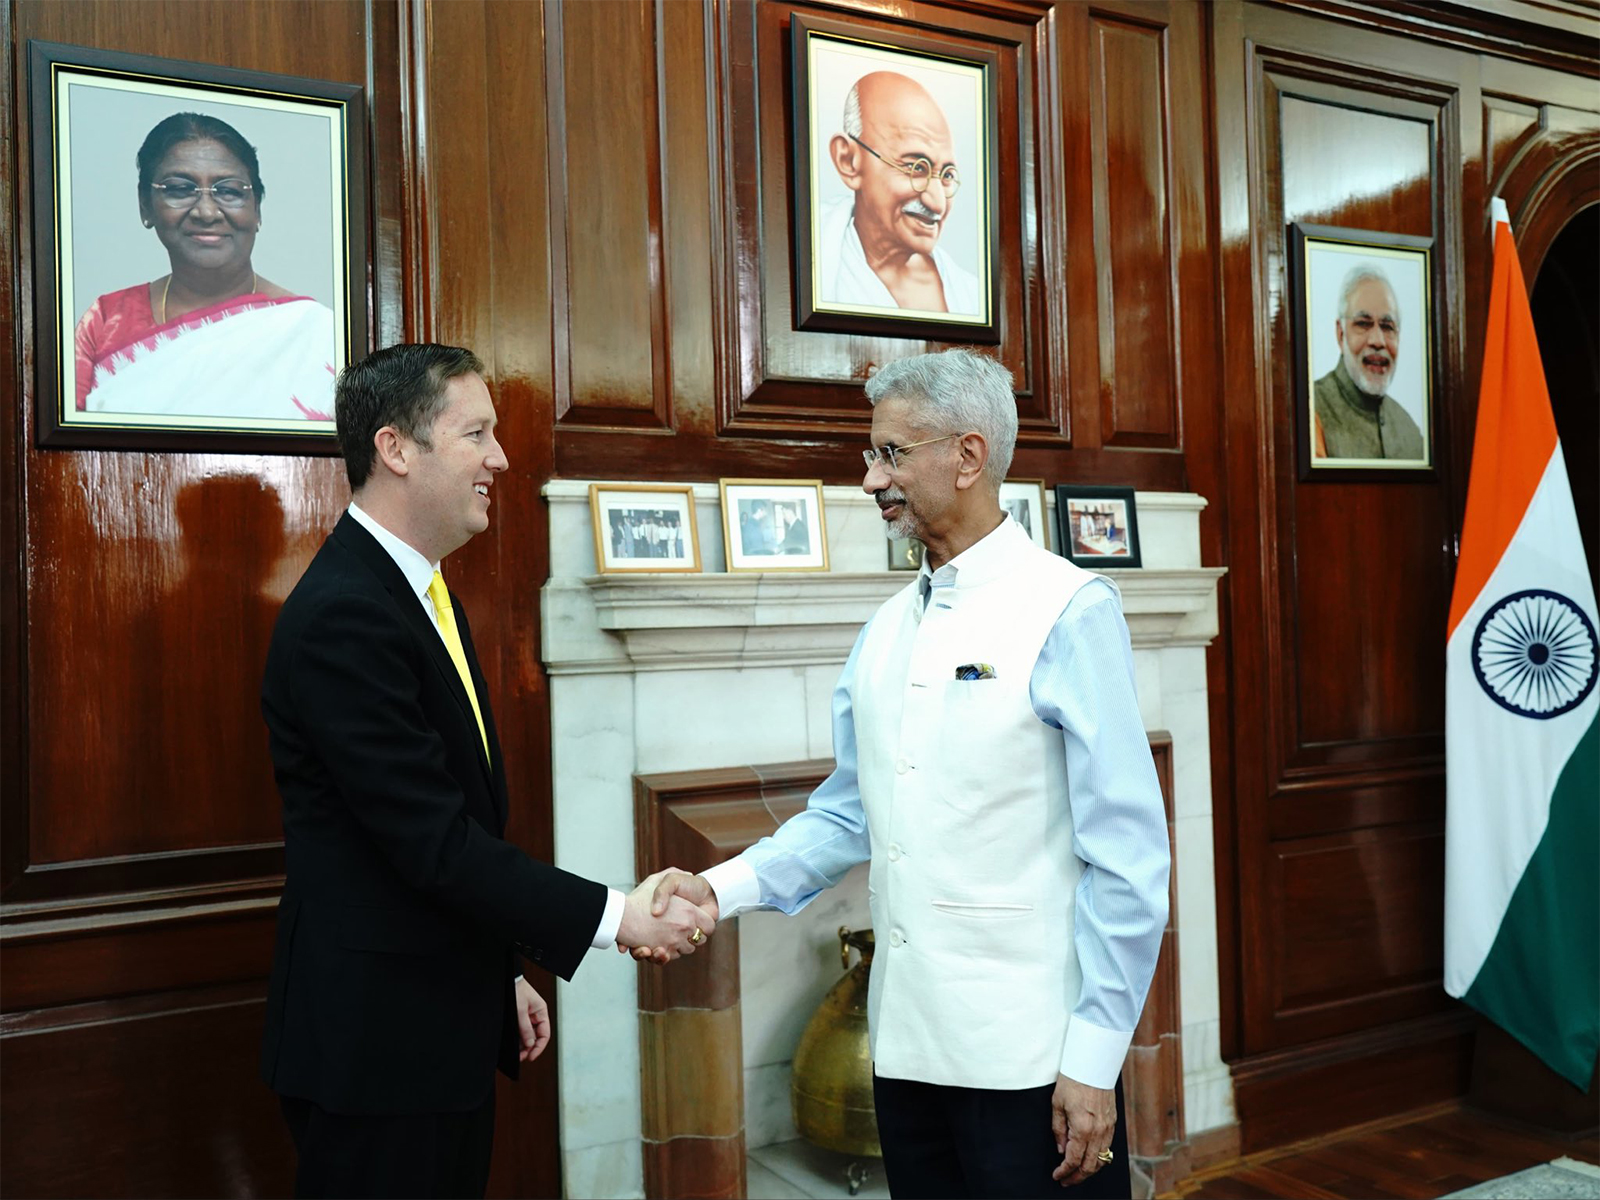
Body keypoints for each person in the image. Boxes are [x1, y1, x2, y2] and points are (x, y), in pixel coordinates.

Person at [642, 349, 1170, 1198]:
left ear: (967, 457)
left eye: (891, 454)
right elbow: (847, 814)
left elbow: (1129, 860)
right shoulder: (883, 631)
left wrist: (1095, 1058)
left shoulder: (1069, 610)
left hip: (1031, 1061)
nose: (869, 479)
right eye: (871, 454)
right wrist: (716, 890)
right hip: (903, 1053)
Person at [259, 344, 715, 1199]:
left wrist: (499, 971)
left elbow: (451, 818)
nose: (501, 458)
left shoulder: (419, 591)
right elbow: (431, 843)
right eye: (477, 433)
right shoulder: (345, 616)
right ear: (396, 448)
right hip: (376, 1051)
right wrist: (618, 917)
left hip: (437, 1023)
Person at [73, 112, 338, 419]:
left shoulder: (317, 335)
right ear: (145, 205)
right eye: (179, 189)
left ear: (257, 209)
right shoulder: (106, 322)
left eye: (229, 191)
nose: (207, 212)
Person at [816, 72, 983, 316]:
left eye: (947, 175)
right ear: (849, 160)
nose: (937, 203)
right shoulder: (810, 255)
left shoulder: (969, 295)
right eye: (916, 168)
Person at [1312, 264, 1425, 460]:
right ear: (1340, 334)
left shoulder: (1409, 431)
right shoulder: (1312, 410)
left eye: (1387, 326)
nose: (1378, 341)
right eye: (1363, 324)